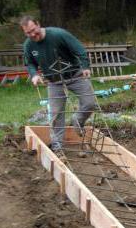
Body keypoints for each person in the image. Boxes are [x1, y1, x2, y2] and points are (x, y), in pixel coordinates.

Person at [20, 16, 95, 152]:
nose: (32, 34)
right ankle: (57, 146)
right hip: (54, 81)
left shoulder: (58, 34)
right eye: (28, 33)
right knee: (56, 113)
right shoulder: (28, 45)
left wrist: (85, 66)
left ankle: (77, 121)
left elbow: (79, 49)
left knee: (90, 103)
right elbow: (30, 62)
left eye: (33, 30)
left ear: (38, 24)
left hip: (75, 75)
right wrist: (34, 75)